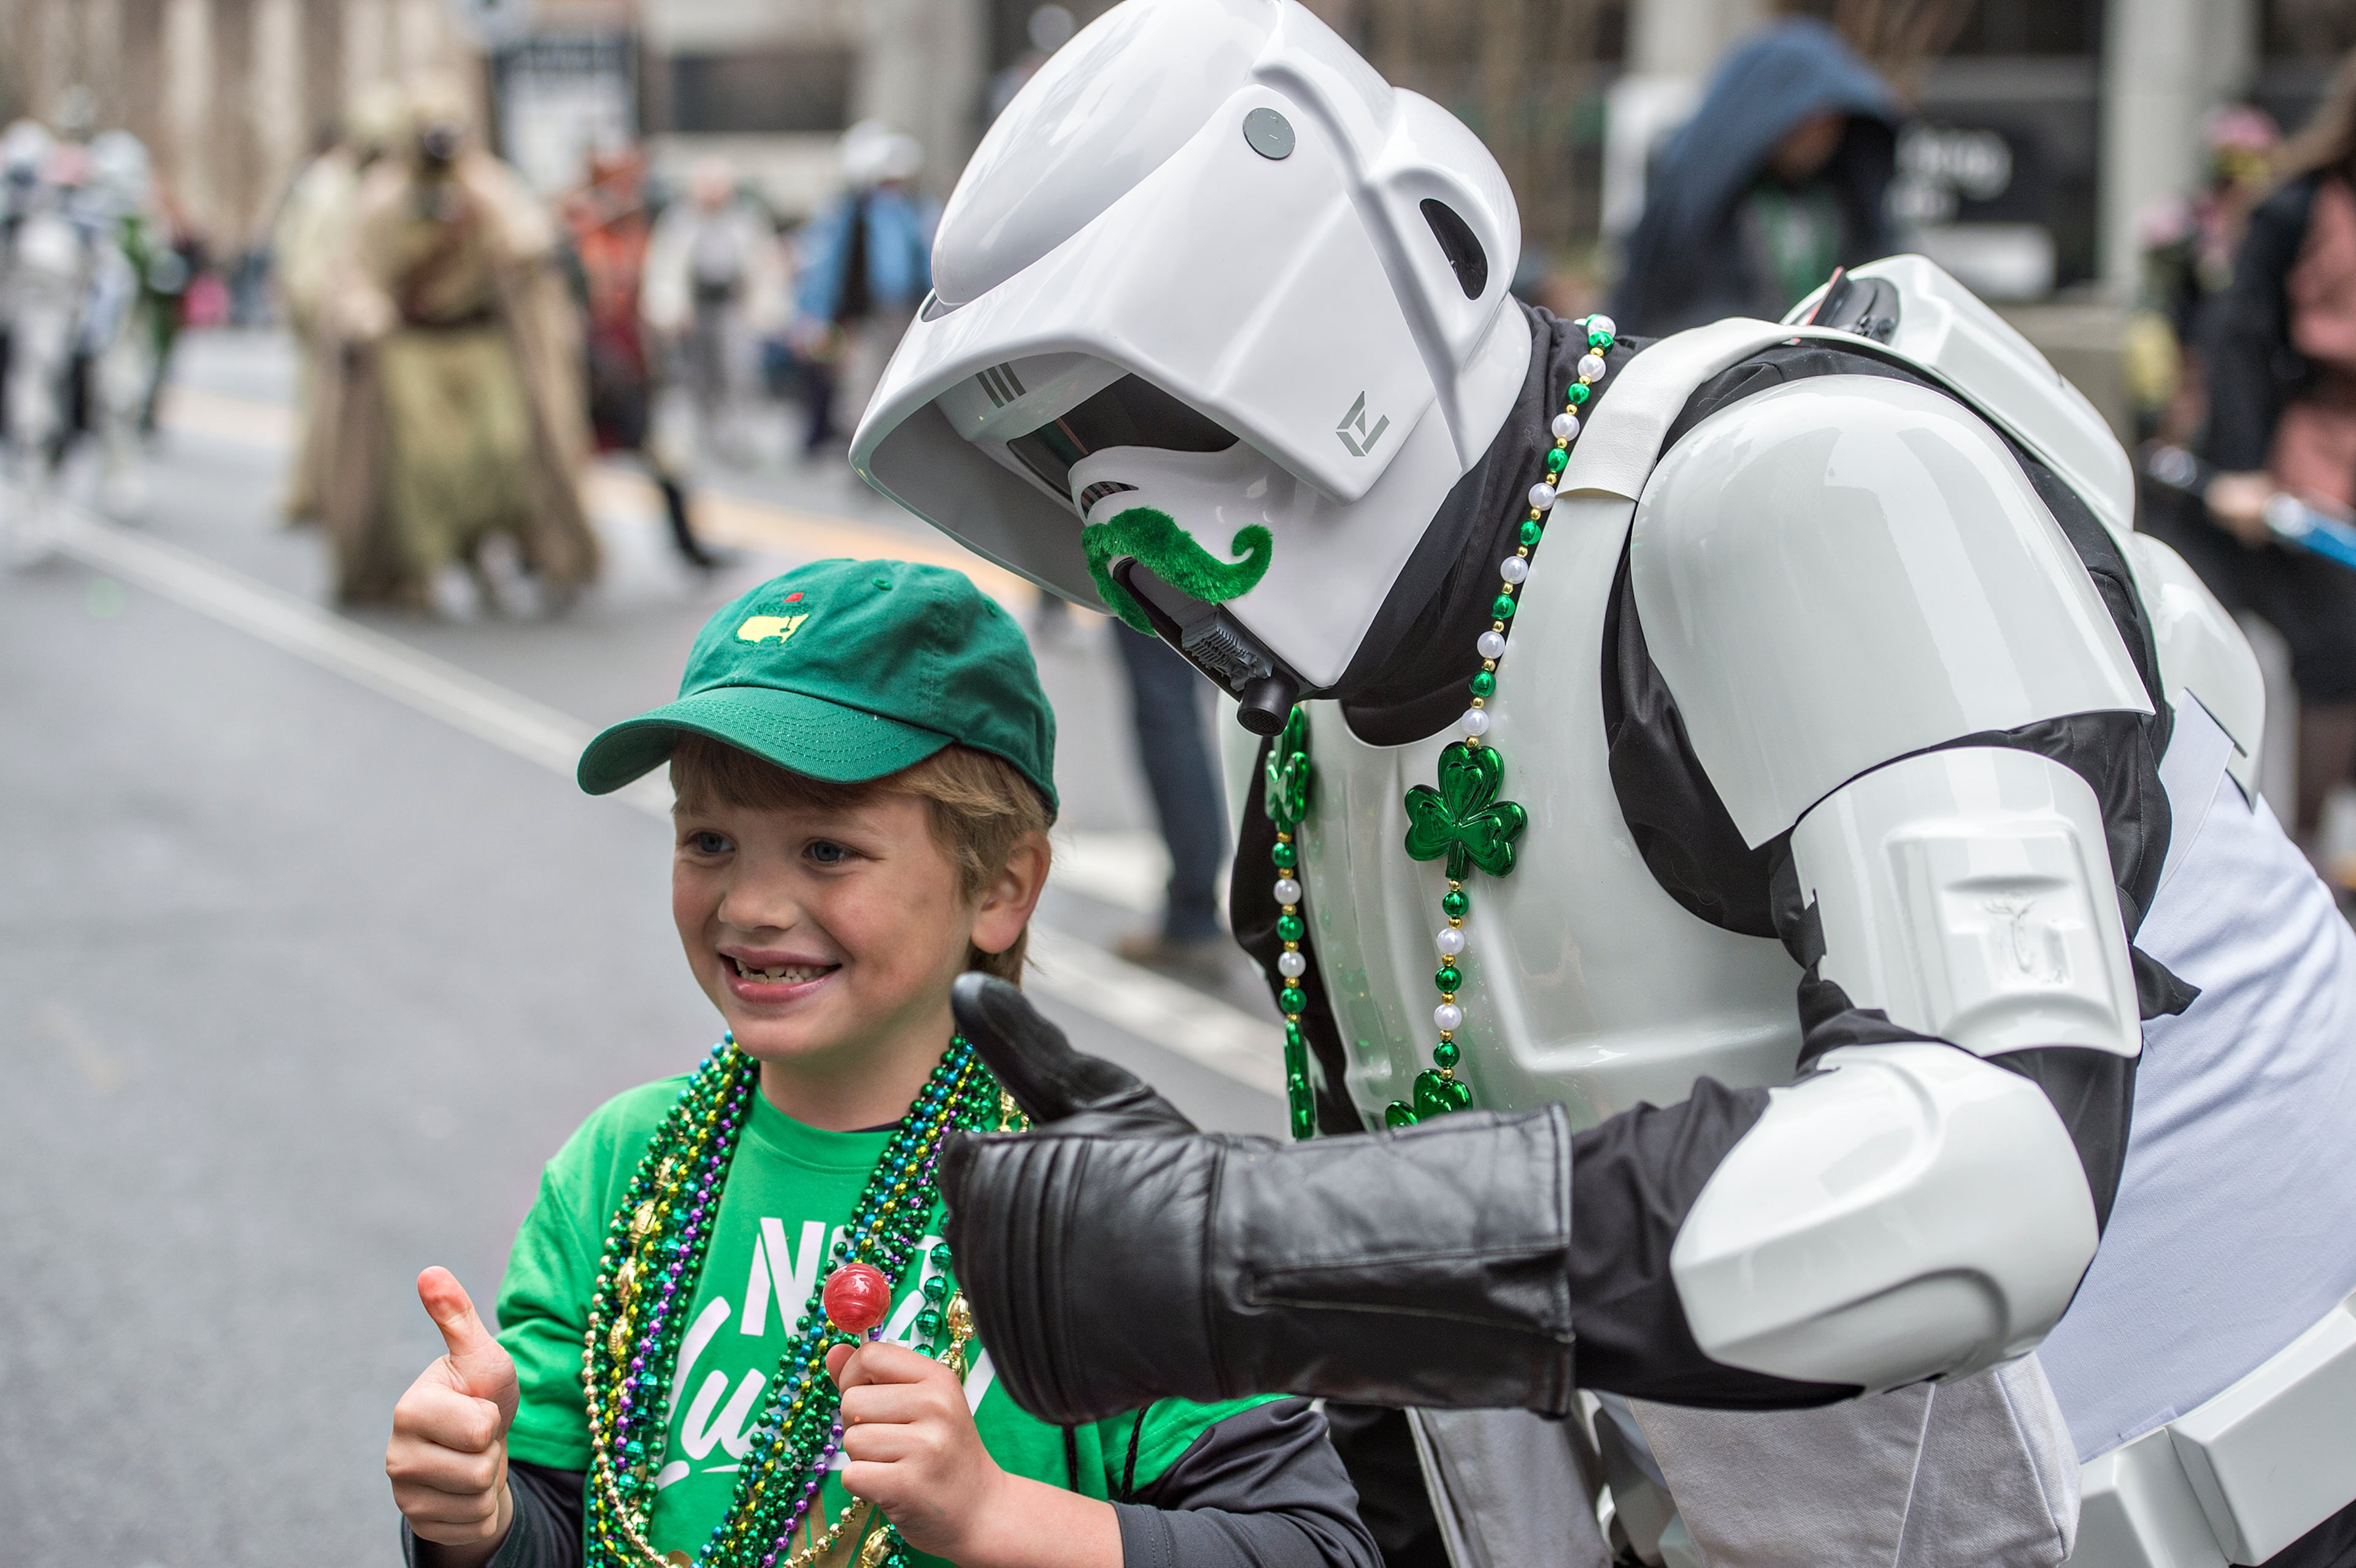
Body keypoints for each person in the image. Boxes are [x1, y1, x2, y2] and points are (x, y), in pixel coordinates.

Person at [848, 4, 2356, 1566]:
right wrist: (1243, 1263)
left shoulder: (1808, 491)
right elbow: (1464, 1404)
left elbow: (1993, 1175)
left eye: (1136, 402)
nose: (1109, 499)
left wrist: (1267, 1254)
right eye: (1055, 446)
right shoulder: (1303, 741)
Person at [383, 558, 1382, 1568]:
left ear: (999, 886)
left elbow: (1314, 1548)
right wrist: (478, 1517)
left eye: (826, 850)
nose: (752, 905)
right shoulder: (618, 1168)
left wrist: (995, 1515)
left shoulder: (1108, 1210)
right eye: (711, 840)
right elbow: (560, 1529)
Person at [2163, 51, 2356, 901]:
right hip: (2314, 454)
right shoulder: (2297, 207)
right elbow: (2238, 336)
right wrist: (2241, 464)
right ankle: (2312, 851)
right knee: (2335, 643)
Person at [312, 79, 597, 612]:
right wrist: (366, 315)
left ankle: (499, 546)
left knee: (505, 448)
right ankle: (418, 569)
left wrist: (523, 248)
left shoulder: (486, 187)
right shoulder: (383, 197)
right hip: (412, 349)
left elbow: (525, 230)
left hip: (481, 343)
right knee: (421, 469)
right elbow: (354, 274)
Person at [1612, 18, 1901, 336]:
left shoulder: (1846, 198)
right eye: (1808, 125)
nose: (1818, 142)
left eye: (1830, 127)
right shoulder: (1710, 200)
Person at [565, 146, 723, 570]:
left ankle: (689, 547)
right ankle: (555, 553)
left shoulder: (638, 235)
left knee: (664, 455)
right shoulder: (578, 237)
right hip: (585, 368)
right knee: (559, 463)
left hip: (629, 369)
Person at [274, 83, 404, 523]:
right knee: (324, 408)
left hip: (370, 320)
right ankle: (320, 493)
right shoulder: (328, 187)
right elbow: (306, 261)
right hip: (333, 317)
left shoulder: (384, 189)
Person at [792, 123, 934, 454]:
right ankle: (863, 455)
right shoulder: (849, 213)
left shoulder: (918, 210)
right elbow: (827, 269)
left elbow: (930, 260)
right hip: (863, 317)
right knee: (860, 386)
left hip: (907, 315)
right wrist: (814, 316)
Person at [642, 156, 784, 472]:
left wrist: (763, 311)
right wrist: (669, 310)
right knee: (696, 380)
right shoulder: (679, 221)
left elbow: (763, 267)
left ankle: (739, 441)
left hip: (732, 308)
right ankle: (701, 442)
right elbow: (664, 269)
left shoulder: (746, 220)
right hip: (695, 311)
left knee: (739, 376)